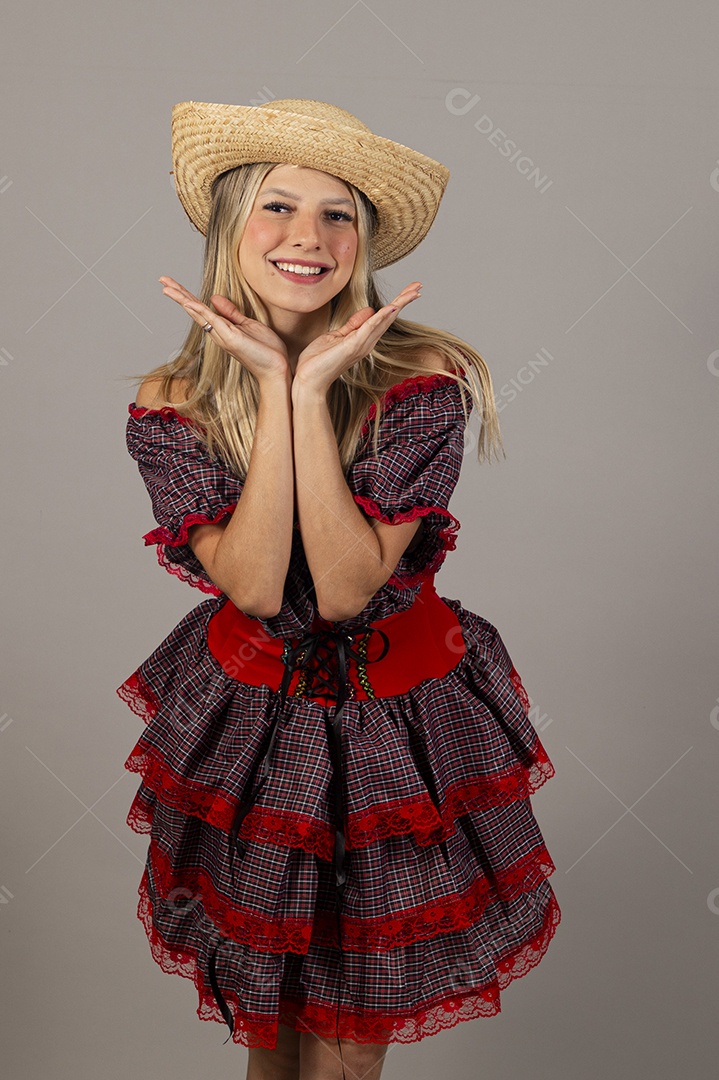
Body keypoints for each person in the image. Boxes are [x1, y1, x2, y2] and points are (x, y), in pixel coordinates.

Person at [116, 98, 561, 1080]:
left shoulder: (423, 377)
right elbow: (251, 582)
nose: (307, 238)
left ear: (360, 243)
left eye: (337, 215)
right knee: (271, 1041)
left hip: (399, 724)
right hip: (251, 725)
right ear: (231, 224)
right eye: (278, 206)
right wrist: (274, 388)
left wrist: (310, 391)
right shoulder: (173, 400)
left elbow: (347, 589)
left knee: (346, 1056)